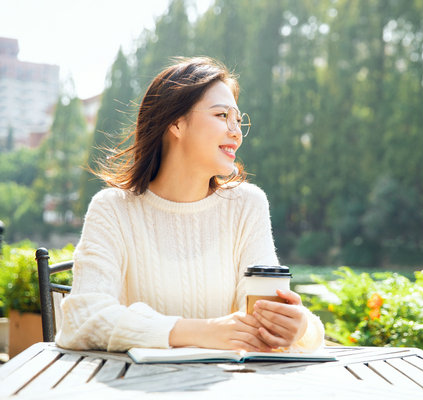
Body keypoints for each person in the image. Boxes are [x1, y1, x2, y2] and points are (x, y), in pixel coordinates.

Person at [56, 57, 324, 353]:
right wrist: (203, 332)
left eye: (238, 120)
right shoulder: (112, 209)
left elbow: (264, 315)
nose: (235, 132)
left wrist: (297, 327)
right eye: (222, 115)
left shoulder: (247, 204)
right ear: (176, 123)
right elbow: (82, 318)